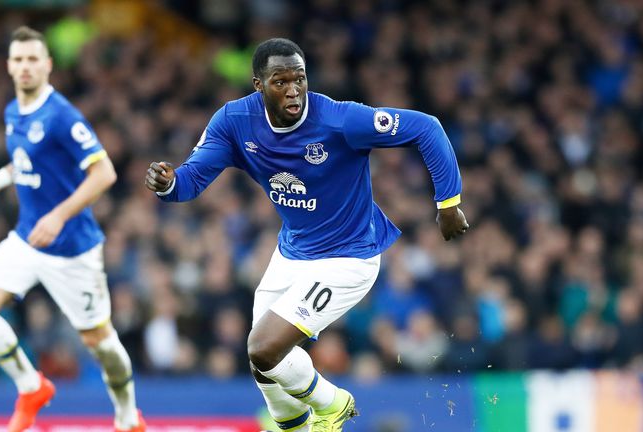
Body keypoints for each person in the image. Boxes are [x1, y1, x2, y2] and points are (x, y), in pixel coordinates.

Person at [145, 38, 468, 432]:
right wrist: (168, 182)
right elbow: (190, 182)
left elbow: (426, 127)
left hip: (349, 258)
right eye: (280, 81)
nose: (294, 89)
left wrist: (448, 203)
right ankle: (294, 426)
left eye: (300, 78)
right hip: (293, 253)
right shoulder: (234, 122)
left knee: (263, 347)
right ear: (258, 85)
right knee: (263, 363)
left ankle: (333, 405)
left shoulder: (339, 121)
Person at [0, 26, 145, 432]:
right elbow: (25, 160)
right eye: (18, 59)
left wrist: (59, 214)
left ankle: (128, 415)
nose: (25, 67)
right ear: (9, 66)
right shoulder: (13, 111)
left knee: (99, 342)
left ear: (47, 65)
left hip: (72, 249)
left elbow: (104, 173)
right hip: (27, 238)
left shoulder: (62, 116)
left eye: (33, 59)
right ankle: (31, 386)